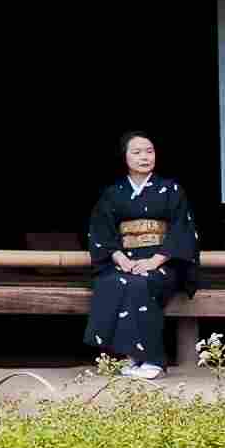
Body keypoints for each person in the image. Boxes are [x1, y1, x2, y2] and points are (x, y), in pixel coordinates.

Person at [83, 133, 196, 379]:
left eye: (149, 151)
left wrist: (154, 261)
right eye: (137, 152)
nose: (145, 156)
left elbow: (182, 230)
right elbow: (102, 232)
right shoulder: (113, 193)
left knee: (141, 283)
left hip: (162, 262)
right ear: (124, 157)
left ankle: (153, 360)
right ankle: (129, 356)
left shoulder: (171, 190)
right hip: (125, 261)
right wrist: (122, 260)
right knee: (113, 282)